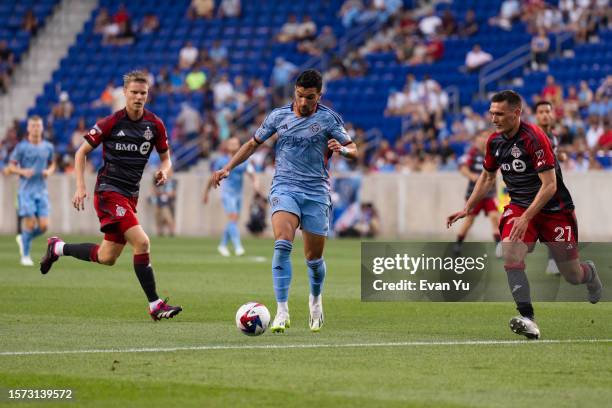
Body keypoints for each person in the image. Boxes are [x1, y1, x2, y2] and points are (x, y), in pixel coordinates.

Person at [447, 90, 602, 339]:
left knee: (572, 276)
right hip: (519, 206)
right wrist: (468, 208)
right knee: (511, 251)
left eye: (499, 114)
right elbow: (487, 177)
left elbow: (550, 185)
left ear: (516, 113)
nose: (494, 119)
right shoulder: (494, 142)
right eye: (491, 113)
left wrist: (528, 217)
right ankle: (527, 317)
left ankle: (590, 273)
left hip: (554, 210)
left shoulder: (534, 138)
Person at [211, 70, 358, 332]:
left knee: (313, 261)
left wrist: (343, 150)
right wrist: (228, 168)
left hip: (316, 193)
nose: (303, 102)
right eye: (300, 96)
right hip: (284, 187)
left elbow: (354, 149)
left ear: (319, 95)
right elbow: (252, 143)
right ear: (295, 92)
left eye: (310, 98)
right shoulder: (278, 116)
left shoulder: (329, 119)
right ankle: (282, 312)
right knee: (282, 245)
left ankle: (315, 302)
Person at [39, 71, 182, 321]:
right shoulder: (111, 122)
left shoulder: (155, 125)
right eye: (134, 92)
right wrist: (80, 186)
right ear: (125, 93)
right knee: (143, 242)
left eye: (143, 93)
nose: (139, 97)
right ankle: (155, 305)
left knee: (107, 257)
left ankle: (57, 248)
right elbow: (81, 152)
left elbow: (166, 159)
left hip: (129, 196)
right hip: (108, 192)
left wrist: (164, 171)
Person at [6, 116, 55, 266]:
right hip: (26, 192)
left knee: (44, 226)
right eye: (33, 126)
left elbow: (53, 164)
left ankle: (24, 238)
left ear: (42, 128)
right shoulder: (21, 147)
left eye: (38, 126)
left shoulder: (48, 147)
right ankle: (25, 256)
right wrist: (22, 171)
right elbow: (11, 166)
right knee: (30, 223)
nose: (35, 128)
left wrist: (49, 172)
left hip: (42, 191)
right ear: (28, 128)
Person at [203, 136, 259, 256]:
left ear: (239, 145)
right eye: (231, 143)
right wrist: (206, 192)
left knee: (233, 221)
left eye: (236, 143)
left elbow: (252, 174)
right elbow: (212, 177)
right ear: (227, 146)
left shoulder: (244, 160)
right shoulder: (221, 161)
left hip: (238, 194)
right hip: (227, 193)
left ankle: (222, 245)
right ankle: (238, 246)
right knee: (233, 217)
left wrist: (255, 185)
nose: (233, 145)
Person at [453, 133, 502, 257]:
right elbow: (462, 168)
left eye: (486, 137)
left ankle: (499, 248)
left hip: (490, 194)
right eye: (481, 137)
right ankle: (458, 244)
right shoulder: (471, 153)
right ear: (476, 139)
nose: (484, 139)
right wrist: (472, 176)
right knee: (469, 221)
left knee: (495, 218)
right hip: (474, 195)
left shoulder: (493, 153)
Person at [534, 100, 567, 275]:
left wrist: (560, 155)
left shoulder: (553, 137)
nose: (545, 115)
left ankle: (553, 261)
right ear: (536, 115)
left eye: (548, 111)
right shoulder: (532, 135)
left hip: (551, 188)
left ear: (552, 114)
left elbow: (551, 157)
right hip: (534, 187)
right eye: (541, 112)